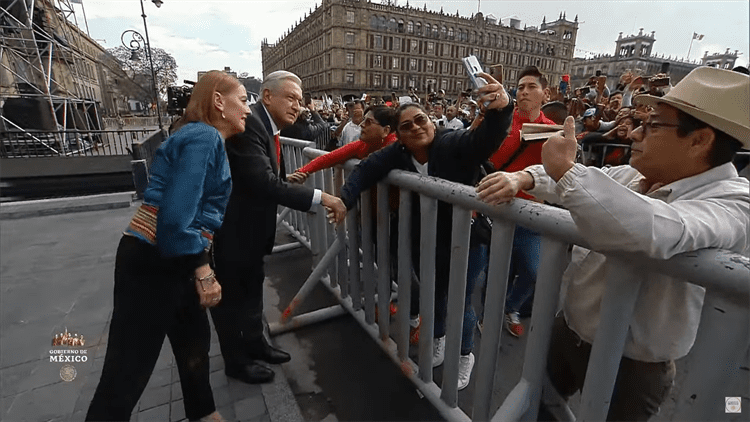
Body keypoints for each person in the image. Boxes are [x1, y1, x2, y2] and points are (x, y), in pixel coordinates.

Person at [476, 66, 749, 421]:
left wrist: (567, 171)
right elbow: (589, 180)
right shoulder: (637, 174)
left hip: (633, 364)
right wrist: (523, 176)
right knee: (540, 405)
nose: (635, 132)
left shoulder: (734, 202)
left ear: (700, 140)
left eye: (652, 126)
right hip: (571, 330)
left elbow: (655, 230)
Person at [86, 70, 250, 422]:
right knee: (128, 369)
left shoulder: (200, 137)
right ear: (218, 102)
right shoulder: (204, 136)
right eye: (243, 99)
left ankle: (205, 414)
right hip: (154, 261)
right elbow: (176, 219)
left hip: (169, 258)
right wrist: (203, 270)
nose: (247, 109)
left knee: (194, 341)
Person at [332, 73, 513, 390]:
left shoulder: (449, 142)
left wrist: (502, 110)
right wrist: (344, 200)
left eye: (421, 120)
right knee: (436, 297)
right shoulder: (398, 154)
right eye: (407, 126)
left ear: (432, 122)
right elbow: (366, 169)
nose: (416, 127)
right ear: (399, 136)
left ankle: (465, 354)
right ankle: (440, 341)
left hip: (467, 242)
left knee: (460, 302)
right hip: (428, 243)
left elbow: (480, 142)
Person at [210, 70, 346, 385]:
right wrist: (322, 196)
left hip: (251, 232)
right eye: (291, 98)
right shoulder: (250, 126)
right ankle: (237, 362)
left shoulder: (266, 126)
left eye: (300, 100)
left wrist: (284, 182)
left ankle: (257, 344)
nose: (298, 106)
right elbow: (260, 183)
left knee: (252, 291)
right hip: (234, 231)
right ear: (267, 96)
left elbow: (260, 179)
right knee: (233, 300)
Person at [486, 65, 557, 338]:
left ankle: (511, 307)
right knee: (496, 269)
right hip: (496, 208)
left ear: (545, 93)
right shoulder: (500, 120)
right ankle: (489, 313)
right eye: (521, 86)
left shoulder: (554, 131)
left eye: (531, 87)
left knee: (533, 270)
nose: (524, 91)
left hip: (531, 213)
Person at [287, 106, 397, 184]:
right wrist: (301, 172)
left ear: (386, 130)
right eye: (363, 120)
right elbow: (330, 158)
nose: (361, 125)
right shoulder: (361, 145)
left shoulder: (398, 146)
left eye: (368, 122)